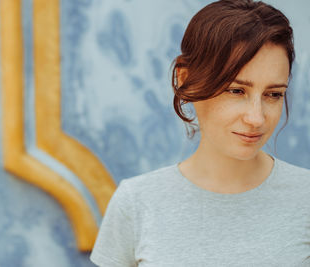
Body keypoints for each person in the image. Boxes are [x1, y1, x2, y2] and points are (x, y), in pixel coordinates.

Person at [90, 0, 310, 266]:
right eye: (236, 91)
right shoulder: (136, 202)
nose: (256, 118)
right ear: (185, 80)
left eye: (273, 94)